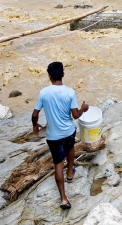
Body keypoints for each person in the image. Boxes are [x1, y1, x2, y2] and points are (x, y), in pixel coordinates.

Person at [33, 61, 86, 210]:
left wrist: (35, 126)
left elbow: (35, 114)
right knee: (70, 150)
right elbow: (76, 115)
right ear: (63, 74)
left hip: (53, 135)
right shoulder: (70, 92)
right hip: (68, 131)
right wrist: (83, 109)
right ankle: (70, 174)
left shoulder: (44, 93)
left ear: (49, 76)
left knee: (58, 164)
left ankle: (63, 198)